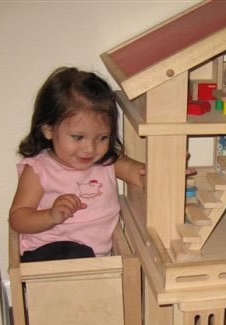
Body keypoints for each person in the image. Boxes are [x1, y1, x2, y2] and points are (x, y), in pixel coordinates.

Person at [9, 67, 144, 262]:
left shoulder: (107, 161)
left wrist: (163, 172)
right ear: (48, 129)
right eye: (78, 137)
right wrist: (51, 216)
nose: (90, 149)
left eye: (102, 137)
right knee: (78, 255)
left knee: (93, 262)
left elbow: (137, 172)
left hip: (94, 259)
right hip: (48, 253)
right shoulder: (39, 169)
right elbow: (18, 218)